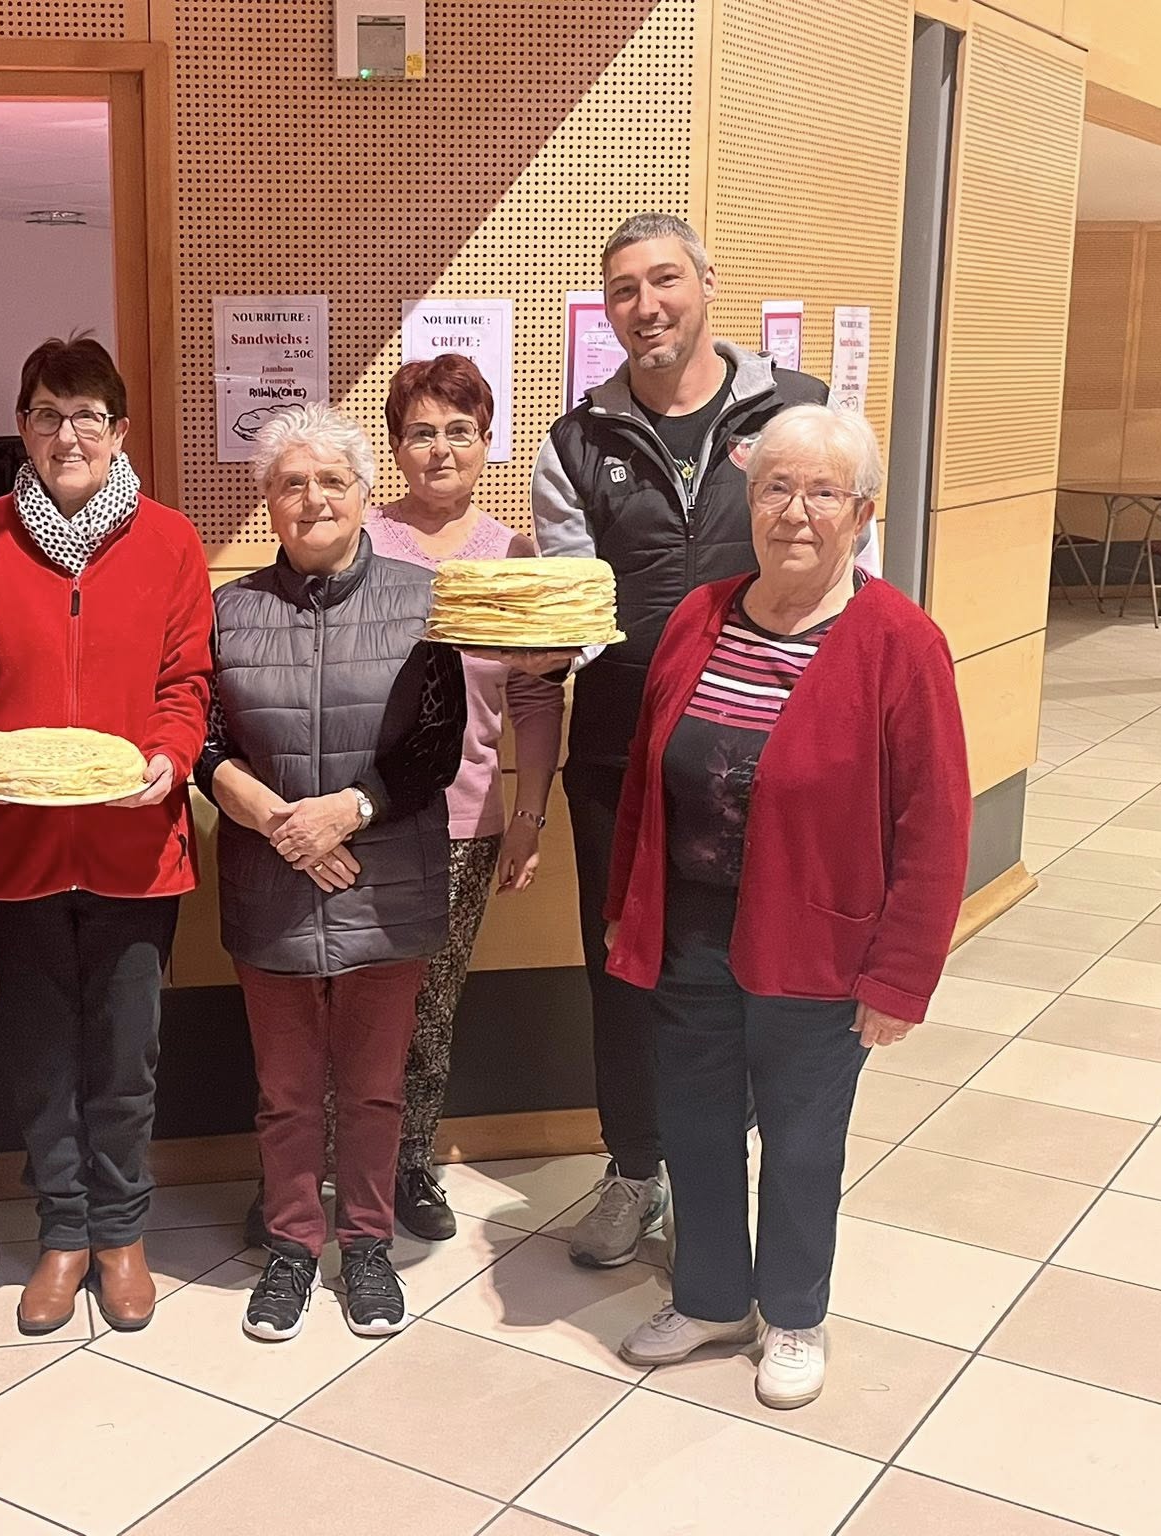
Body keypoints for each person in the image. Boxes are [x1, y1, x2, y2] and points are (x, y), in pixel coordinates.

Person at [606, 404, 968, 1409]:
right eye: (773, 488)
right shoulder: (700, 614)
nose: (793, 513)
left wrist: (899, 976)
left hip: (820, 945)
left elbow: (933, 826)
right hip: (689, 934)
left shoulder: (899, 643)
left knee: (803, 1140)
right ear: (746, 499)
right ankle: (714, 1295)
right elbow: (646, 777)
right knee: (694, 1121)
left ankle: (795, 1313)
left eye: (819, 493)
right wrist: (627, 911)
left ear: (860, 513)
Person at [527, 211, 827, 1270]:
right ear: (603, 311)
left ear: (706, 282)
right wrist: (521, 644)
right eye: (621, 291)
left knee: (760, 966)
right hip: (619, 754)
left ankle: (732, 1171)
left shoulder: (798, 412)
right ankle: (631, 1169)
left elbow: (847, 572)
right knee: (624, 966)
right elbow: (569, 605)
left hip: (769, 748)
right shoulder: (575, 442)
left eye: (662, 281)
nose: (644, 306)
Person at [0, 335, 213, 1337]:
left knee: (124, 1051)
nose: (67, 433)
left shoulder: (172, 543)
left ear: (120, 430)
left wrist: (168, 760)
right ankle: (63, 1231)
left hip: (137, 846)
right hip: (14, 848)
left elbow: (185, 687)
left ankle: (122, 1232)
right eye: (46, 413)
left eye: (88, 414)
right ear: (23, 428)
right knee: (40, 1051)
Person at [199, 403, 466, 1342]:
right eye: (289, 482)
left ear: (363, 496)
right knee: (283, 1089)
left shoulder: (425, 597)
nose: (310, 498)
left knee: (373, 1087)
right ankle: (287, 1246)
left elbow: (439, 747)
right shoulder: (228, 610)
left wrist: (344, 812)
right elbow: (206, 743)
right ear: (266, 500)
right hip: (271, 877)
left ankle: (365, 1248)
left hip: (382, 879)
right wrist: (281, 823)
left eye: (331, 481)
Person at [365, 355, 564, 1240]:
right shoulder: (360, 539)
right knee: (350, 993)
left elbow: (531, 694)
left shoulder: (516, 555)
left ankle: (410, 1162)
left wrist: (528, 815)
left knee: (431, 1001)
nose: (439, 449)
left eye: (459, 431)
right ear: (395, 446)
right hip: (363, 816)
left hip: (465, 819)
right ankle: (334, 1164)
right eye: (419, 431)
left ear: (488, 444)